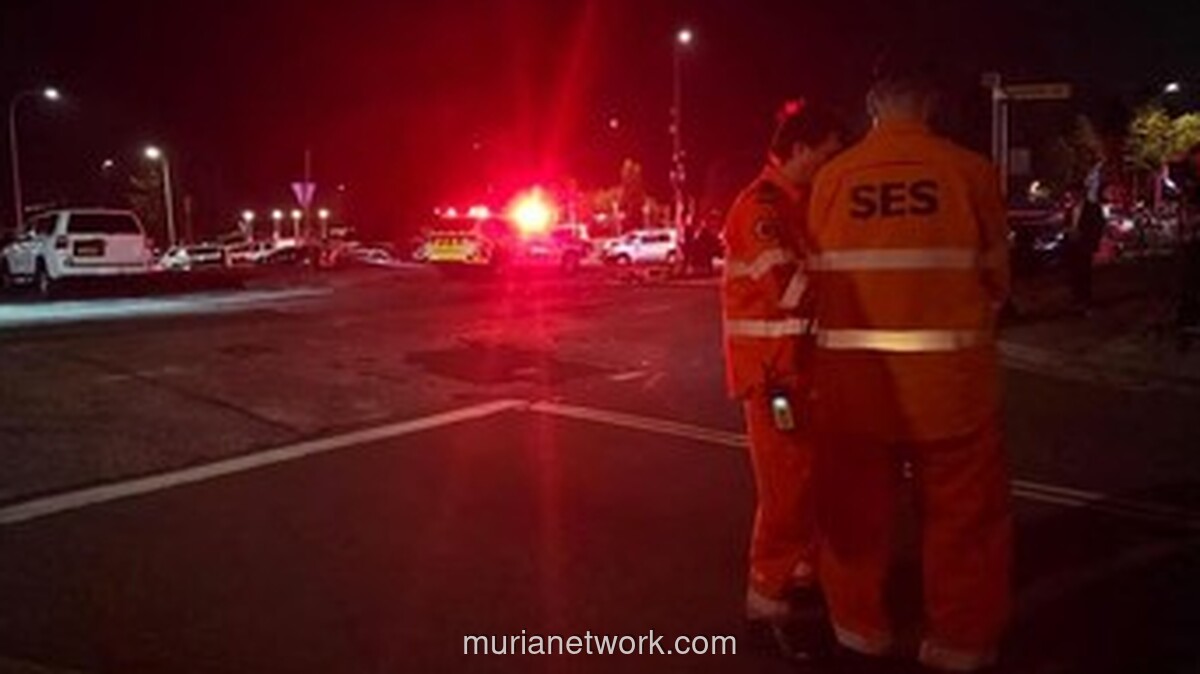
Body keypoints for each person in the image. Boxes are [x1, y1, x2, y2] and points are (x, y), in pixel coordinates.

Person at [806, 51, 1013, 672]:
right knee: (962, 524)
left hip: (856, 388)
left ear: (873, 107)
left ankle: (858, 636)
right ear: (931, 105)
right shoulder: (970, 173)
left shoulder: (833, 178)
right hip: (950, 388)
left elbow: (820, 281)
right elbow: (998, 282)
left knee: (856, 516)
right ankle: (958, 647)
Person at [721, 99, 844, 659]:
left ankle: (799, 577)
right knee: (786, 492)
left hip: (797, 371)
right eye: (827, 154)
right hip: (774, 376)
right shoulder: (761, 208)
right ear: (799, 150)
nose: (831, 165)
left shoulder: (799, 203)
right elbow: (788, 288)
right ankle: (765, 602)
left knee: (807, 483)